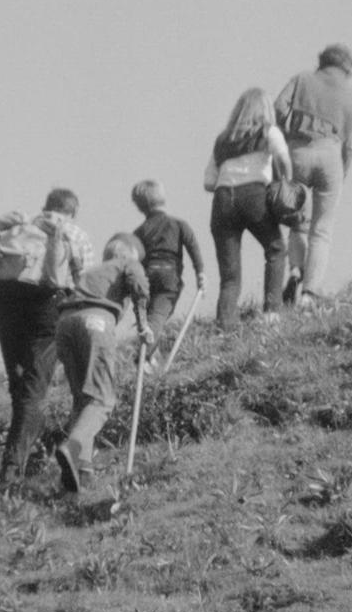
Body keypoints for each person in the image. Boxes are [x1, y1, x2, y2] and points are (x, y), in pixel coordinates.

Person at [0, 188, 95, 485]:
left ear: (45, 206)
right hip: (46, 305)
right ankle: (11, 469)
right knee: (35, 389)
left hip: (3, 303)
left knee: (19, 384)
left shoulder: (21, 228)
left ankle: (21, 453)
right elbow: (85, 279)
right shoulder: (73, 232)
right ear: (72, 211)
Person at [54, 233, 152, 493]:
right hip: (96, 322)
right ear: (130, 254)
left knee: (83, 399)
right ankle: (73, 447)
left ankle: (81, 471)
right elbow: (139, 284)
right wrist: (143, 325)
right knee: (102, 400)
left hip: (64, 324)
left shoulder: (91, 271)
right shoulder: (126, 263)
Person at [275, 43, 352, 310]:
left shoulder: (302, 79)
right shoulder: (351, 99)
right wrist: (340, 176)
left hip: (298, 150)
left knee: (298, 221)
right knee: (321, 229)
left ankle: (295, 270)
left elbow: (278, 107)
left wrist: (285, 135)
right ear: (347, 70)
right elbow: (349, 148)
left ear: (321, 62)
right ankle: (309, 294)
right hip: (330, 155)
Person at [204, 87, 293, 329]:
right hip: (254, 194)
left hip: (222, 200)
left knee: (230, 275)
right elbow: (284, 159)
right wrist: (287, 184)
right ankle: (272, 312)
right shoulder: (268, 131)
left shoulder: (223, 140)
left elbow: (209, 182)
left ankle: (225, 324)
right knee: (275, 249)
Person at [130, 179, 205, 369]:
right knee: (159, 314)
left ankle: (151, 355)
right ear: (163, 198)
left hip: (147, 276)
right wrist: (200, 272)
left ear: (139, 207)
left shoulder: (139, 232)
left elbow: (134, 259)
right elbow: (193, 246)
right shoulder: (178, 224)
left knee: (150, 315)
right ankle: (144, 355)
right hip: (169, 276)